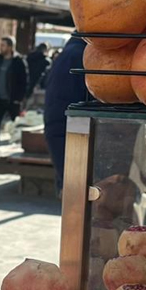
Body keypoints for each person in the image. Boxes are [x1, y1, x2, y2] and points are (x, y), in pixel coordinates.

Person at [43, 36, 89, 189]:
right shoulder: (74, 56)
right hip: (81, 171)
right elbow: (57, 121)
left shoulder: (78, 53)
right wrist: (69, 178)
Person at [0, 36, 28, 148]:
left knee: (16, 124)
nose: (0, 47)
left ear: (10, 47)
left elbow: (24, 81)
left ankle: (16, 145)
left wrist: (19, 98)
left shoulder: (18, 61)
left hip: (12, 99)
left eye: (3, 45)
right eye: (0, 45)